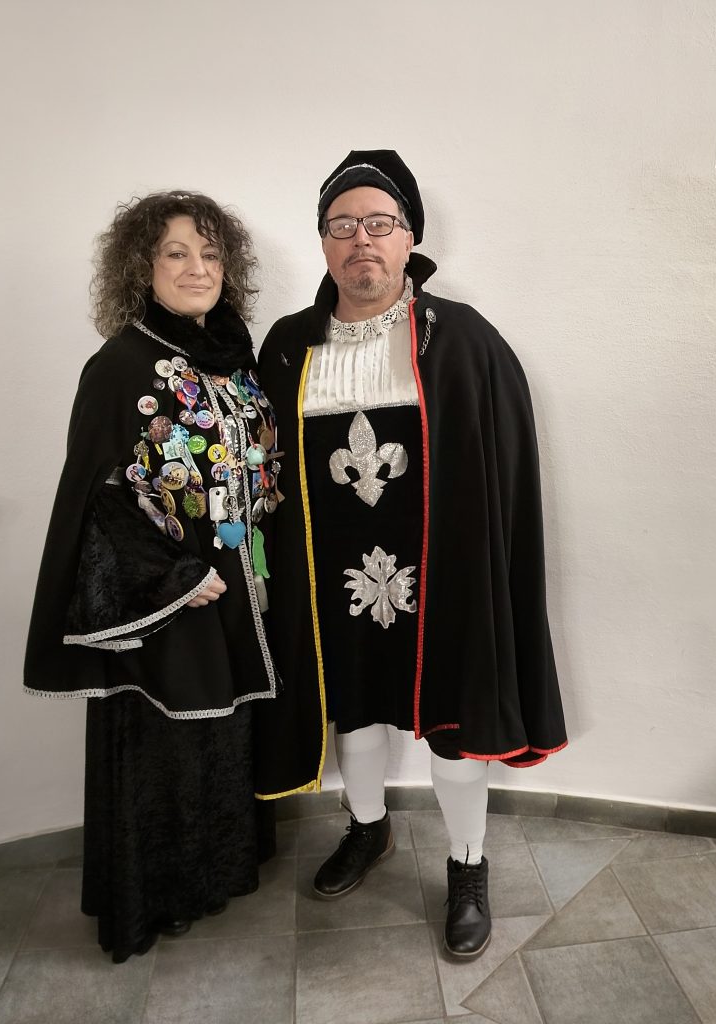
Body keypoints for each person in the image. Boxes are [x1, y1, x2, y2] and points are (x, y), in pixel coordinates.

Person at [253, 151, 567, 959]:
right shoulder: (288, 346)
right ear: (323, 242)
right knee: (353, 709)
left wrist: (489, 570)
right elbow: (266, 473)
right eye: (342, 224)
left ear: (410, 237)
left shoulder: (460, 338)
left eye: (379, 222)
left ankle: (467, 864)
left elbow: (503, 471)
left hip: (444, 571)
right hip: (332, 574)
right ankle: (368, 828)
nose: (361, 239)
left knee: (453, 726)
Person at [24, 191, 283, 963]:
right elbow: (96, 499)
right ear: (142, 266)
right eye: (177, 253)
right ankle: (157, 898)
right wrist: (173, 577)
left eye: (210, 253)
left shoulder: (233, 356)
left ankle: (218, 875)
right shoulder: (120, 366)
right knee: (164, 741)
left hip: (241, 587)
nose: (198, 268)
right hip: (171, 597)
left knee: (225, 733)